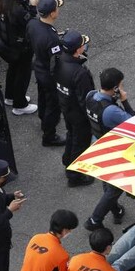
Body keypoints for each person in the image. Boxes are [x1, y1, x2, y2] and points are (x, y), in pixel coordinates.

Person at [85, 68, 135, 230]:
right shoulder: (111, 111)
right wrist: (125, 101)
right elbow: (134, 123)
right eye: (120, 86)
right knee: (114, 188)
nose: (122, 88)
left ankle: (116, 210)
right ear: (115, 88)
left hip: (95, 143)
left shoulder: (91, 96)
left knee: (107, 182)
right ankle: (94, 220)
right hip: (112, 151)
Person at [55, 30, 95, 187]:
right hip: (79, 114)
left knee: (72, 135)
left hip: (66, 106)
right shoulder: (79, 72)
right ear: (78, 49)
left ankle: (67, 159)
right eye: (82, 45)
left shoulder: (59, 61)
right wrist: (91, 115)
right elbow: (85, 99)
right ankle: (74, 176)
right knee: (81, 142)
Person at [0, 0, 37, 116]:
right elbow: (30, 22)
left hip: (8, 44)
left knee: (13, 70)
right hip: (21, 47)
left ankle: (10, 96)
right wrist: (32, 6)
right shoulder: (17, 10)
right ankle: (20, 104)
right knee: (23, 74)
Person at [26, 0, 64, 146]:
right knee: (53, 105)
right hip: (49, 74)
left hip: (39, 67)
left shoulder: (33, 24)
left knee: (42, 96)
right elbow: (56, 62)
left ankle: (43, 116)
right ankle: (49, 135)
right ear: (52, 13)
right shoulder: (51, 38)